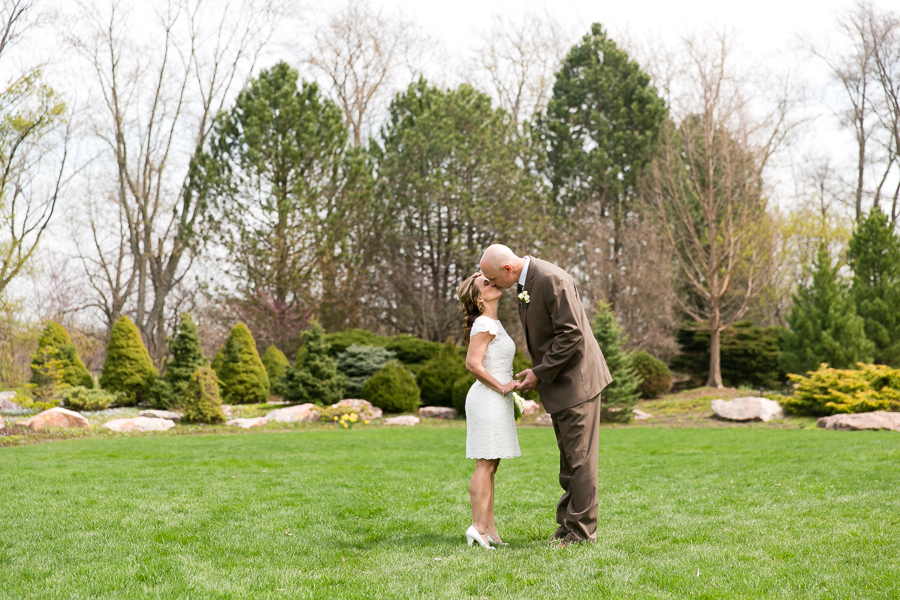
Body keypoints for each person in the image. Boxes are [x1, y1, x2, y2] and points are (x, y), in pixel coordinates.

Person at [480, 244, 612, 547]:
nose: (493, 285)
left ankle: (581, 534)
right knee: (569, 461)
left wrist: (540, 371)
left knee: (580, 462)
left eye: (493, 279)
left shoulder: (551, 279)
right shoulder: (527, 281)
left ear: (508, 270)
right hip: (561, 382)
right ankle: (567, 528)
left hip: (578, 382)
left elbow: (572, 334)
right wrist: (538, 371)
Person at [456, 271, 522, 550]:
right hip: (488, 399)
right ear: (478, 297)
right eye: (486, 282)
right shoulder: (484, 323)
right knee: (484, 464)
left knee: (492, 465)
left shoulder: (493, 322)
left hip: (496, 399)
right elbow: (473, 364)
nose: (492, 282)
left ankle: (490, 529)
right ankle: (478, 527)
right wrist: (504, 388)